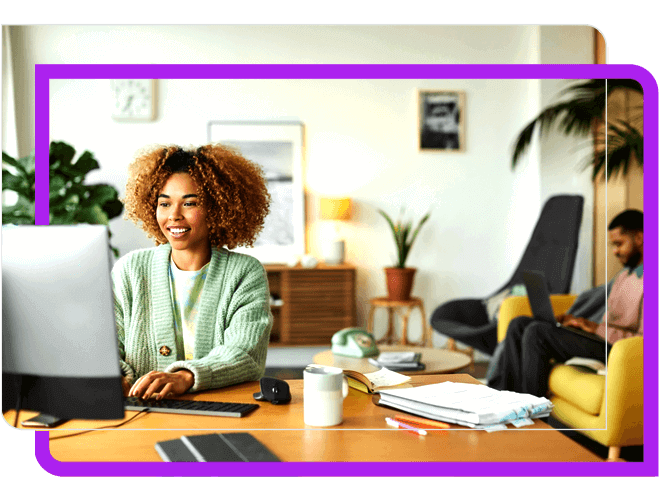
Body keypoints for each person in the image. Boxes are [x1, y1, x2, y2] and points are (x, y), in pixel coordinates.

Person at [113, 144, 272, 400]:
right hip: (139, 412)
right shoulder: (130, 270)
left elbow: (245, 352)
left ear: (218, 208)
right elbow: (107, 347)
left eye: (190, 203)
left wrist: (184, 377)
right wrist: (115, 379)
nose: (173, 215)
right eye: (164, 204)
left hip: (219, 409)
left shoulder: (244, 273)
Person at [487, 209, 643, 397]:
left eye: (619, 244)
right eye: (613, 245)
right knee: (519, 324)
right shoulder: (625, 274)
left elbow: (642, 342)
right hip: (602, 339)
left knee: (537, 333)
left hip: (618, 351)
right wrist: (578, 323)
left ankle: (532, 415)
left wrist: (596, 329)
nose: (615, 251)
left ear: (640, 238)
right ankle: (504, 400)